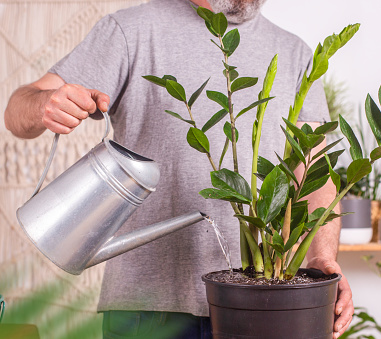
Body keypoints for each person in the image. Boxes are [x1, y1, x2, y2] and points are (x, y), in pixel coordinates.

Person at [4, 0, 354, 337]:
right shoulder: (130, 31)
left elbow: (313, 169)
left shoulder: (296, 53)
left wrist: (322, 258)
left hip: (268, 307)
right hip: (147, 311)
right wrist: (44, 106)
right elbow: (18, 110)